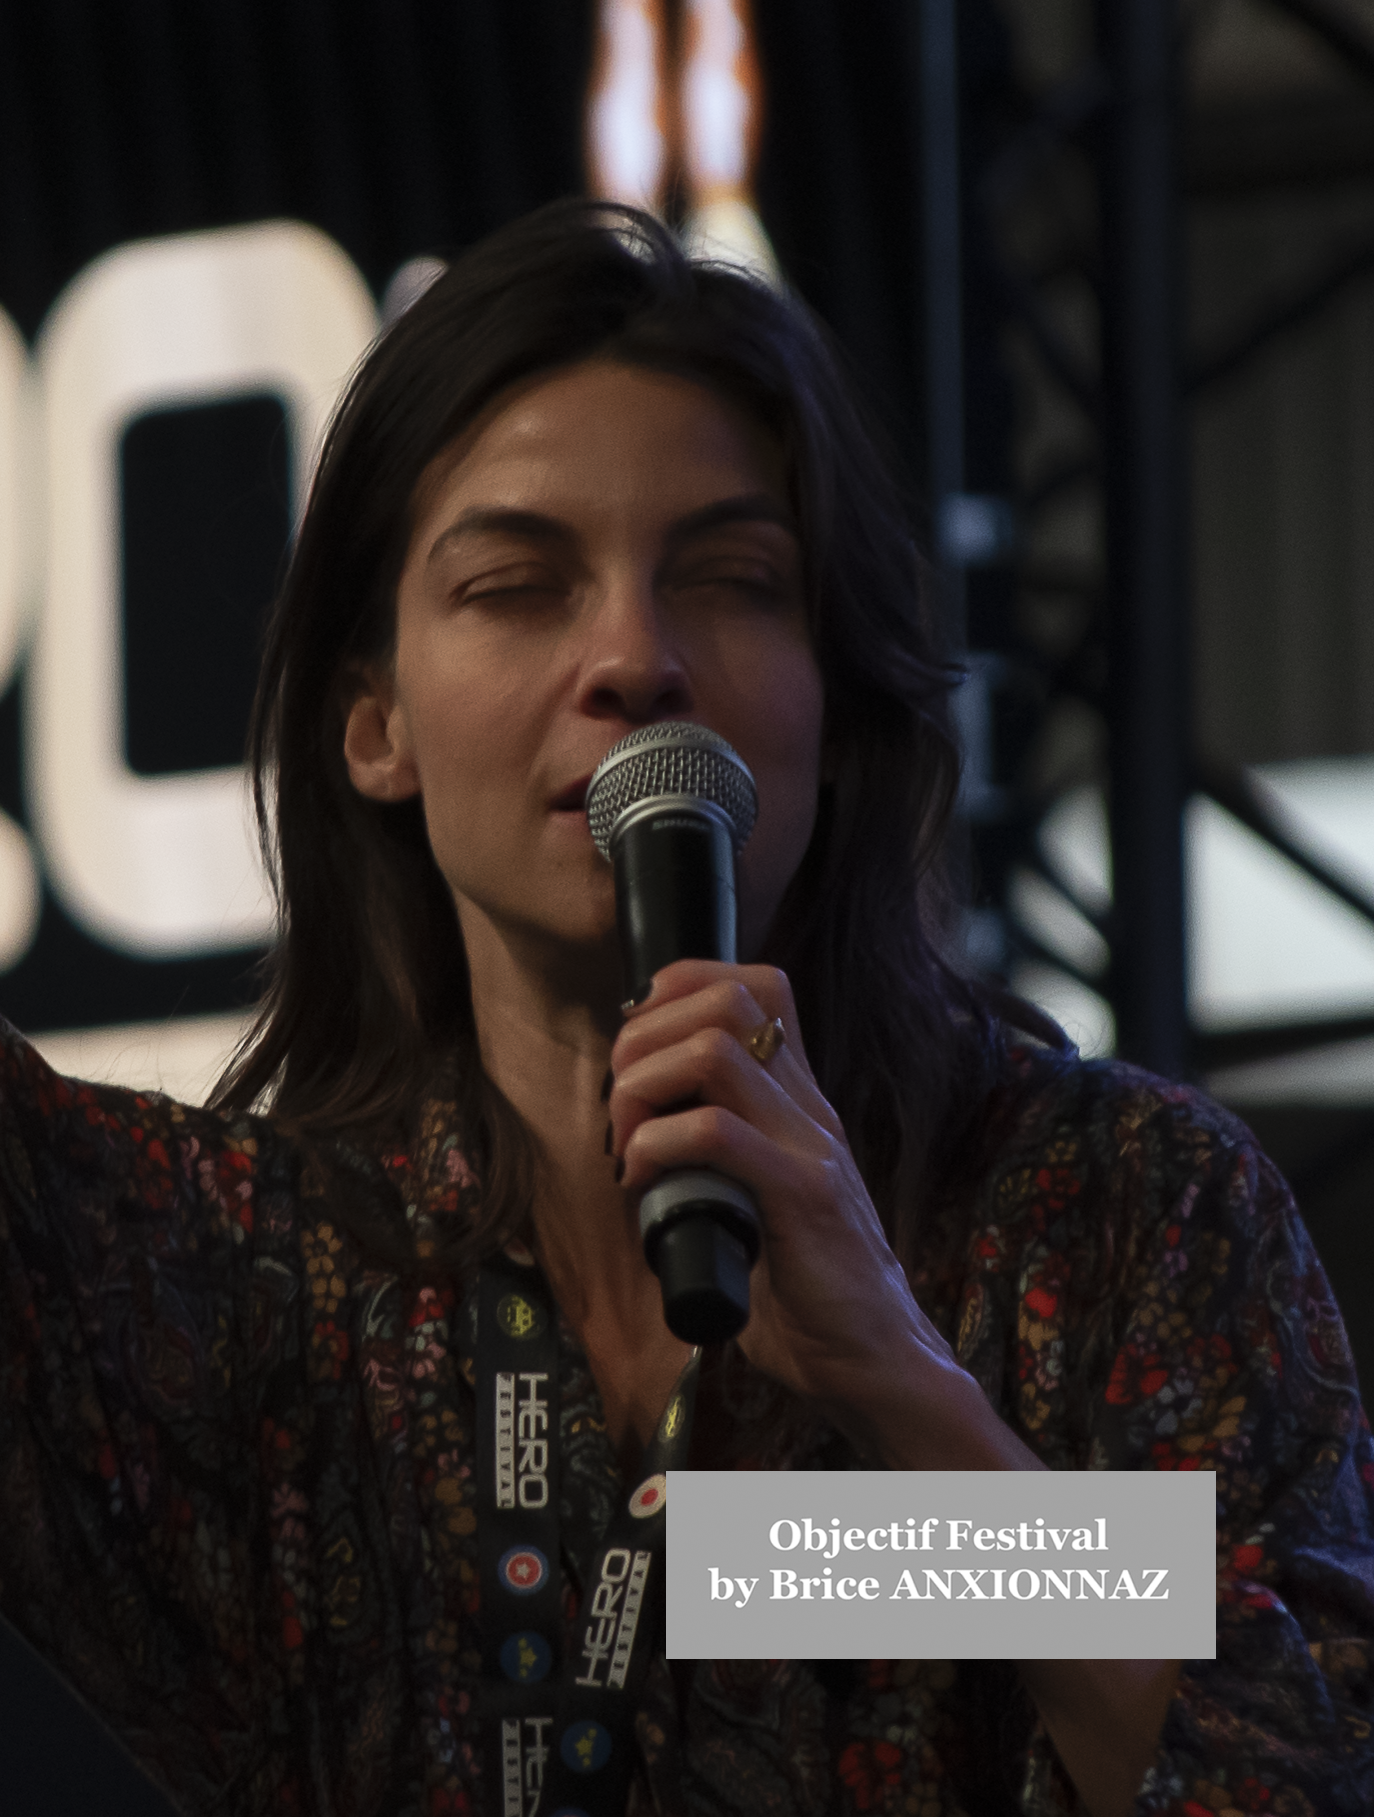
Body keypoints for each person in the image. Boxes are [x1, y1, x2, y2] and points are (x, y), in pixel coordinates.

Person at [0, 200, 1370, 1817]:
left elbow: (1294, 1772)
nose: (634, 657)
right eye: (515, 585)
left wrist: (907, 1389)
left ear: (832, 705)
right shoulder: (231, 1283)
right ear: (376, 727)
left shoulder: (1121, 1212)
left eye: (728, 580)